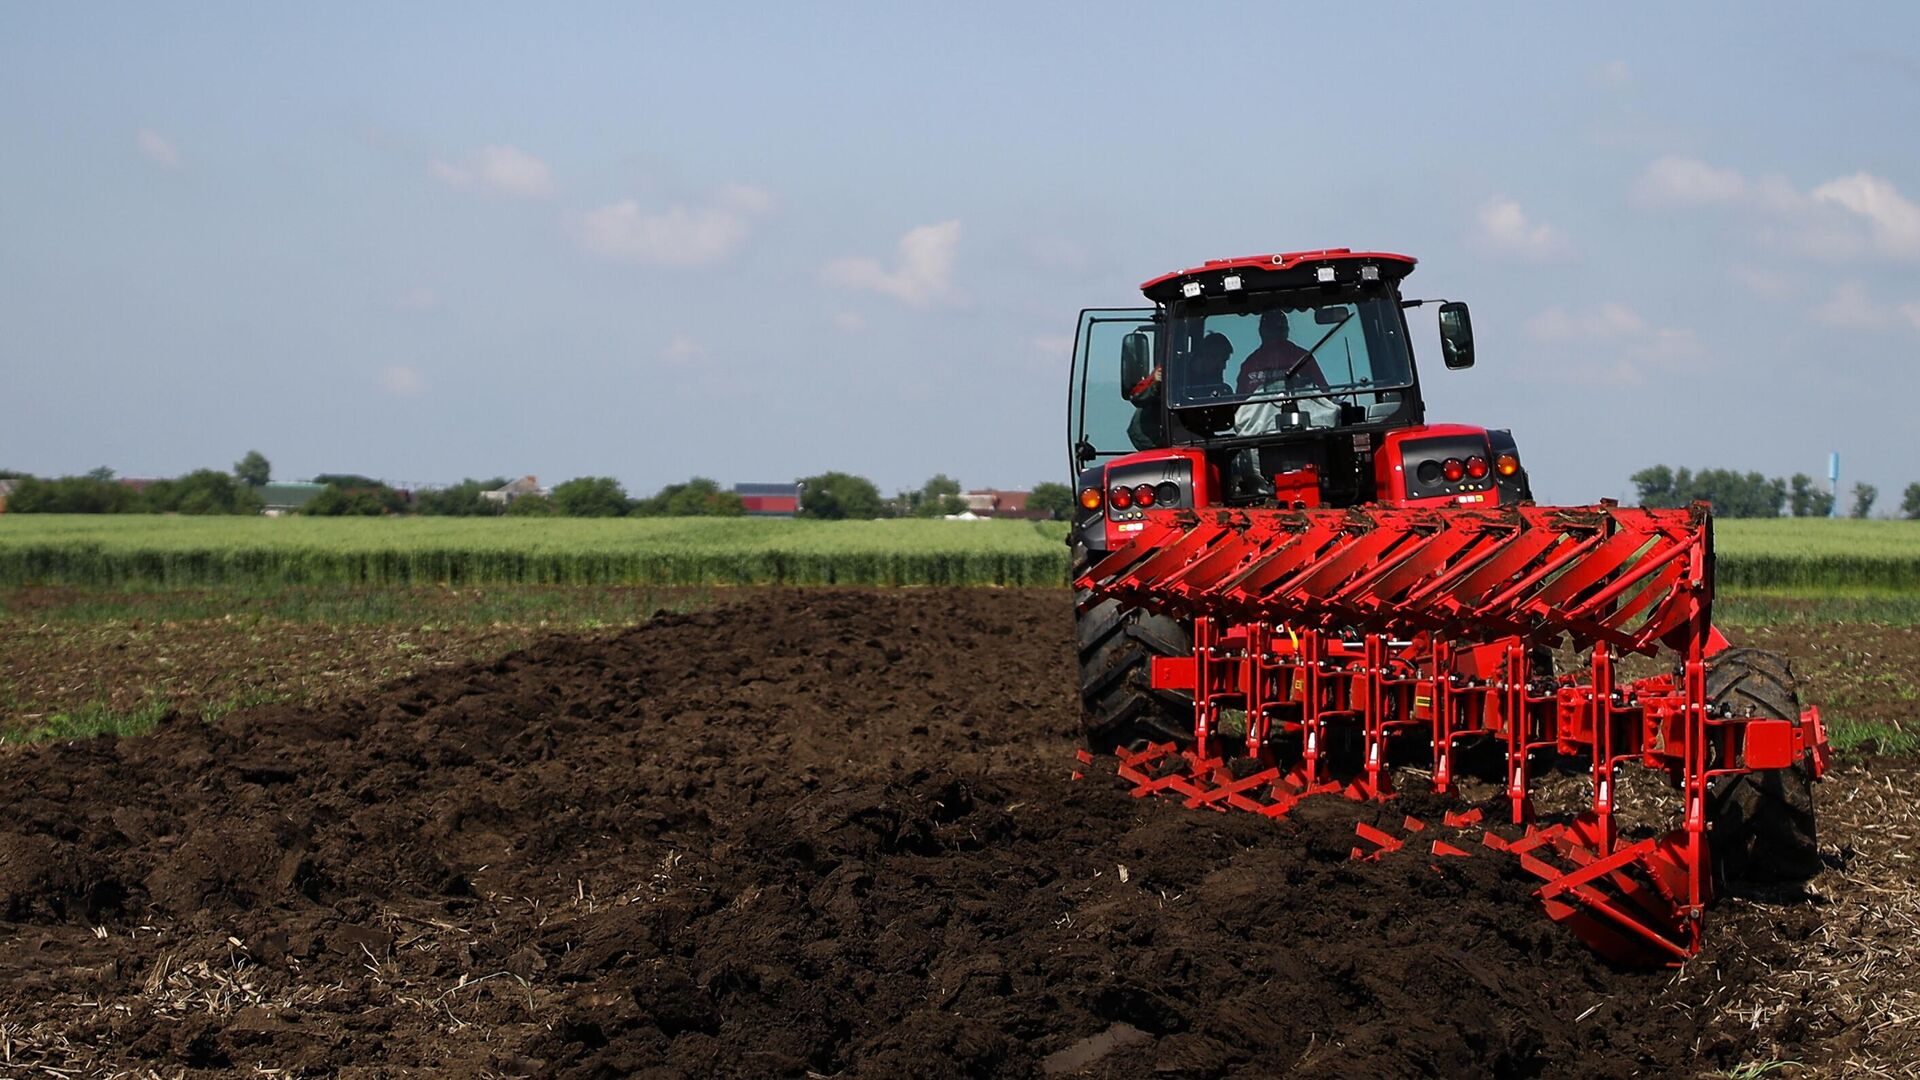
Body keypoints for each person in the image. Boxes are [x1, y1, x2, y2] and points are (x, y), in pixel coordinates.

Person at [1235, 309, 1328, 396]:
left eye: (1280, 328)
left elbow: (1325, 395)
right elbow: (1239, 406)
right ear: (1262, 331)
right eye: (1271, 328)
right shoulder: (1249, 365)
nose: (1276, 333)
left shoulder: (1303, 358)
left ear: (1286, 330)